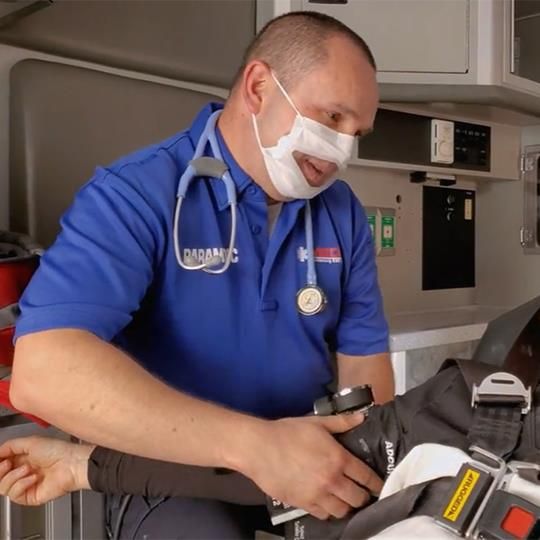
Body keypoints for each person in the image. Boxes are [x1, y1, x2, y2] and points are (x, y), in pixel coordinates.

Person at [8, 10, 393, 538]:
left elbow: (367, 375)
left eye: (358, 132)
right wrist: (258, 445)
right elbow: (43, 373)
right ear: (259, 87)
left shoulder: (340, 212)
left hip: (307, 460)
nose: (344, 150)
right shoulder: (137, 193)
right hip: (170, 476)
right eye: (332, 117)